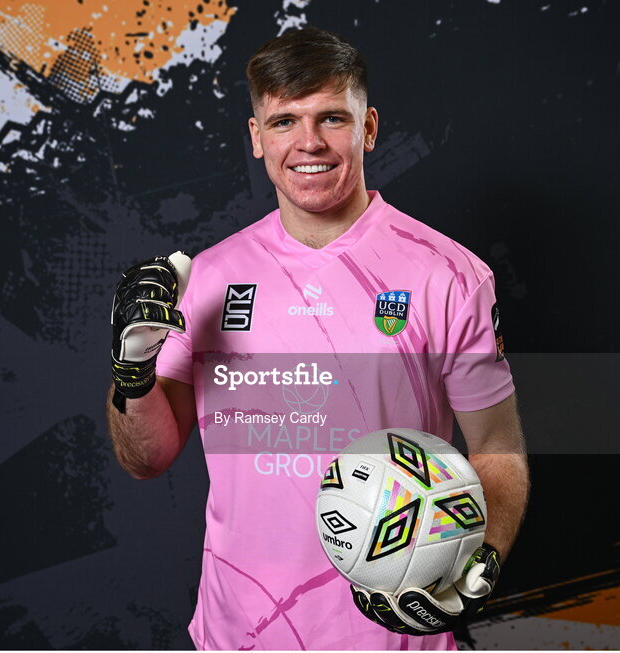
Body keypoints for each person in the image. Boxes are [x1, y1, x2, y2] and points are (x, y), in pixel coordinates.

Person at [107, 27, 529, 650]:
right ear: (257, 137)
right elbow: (146, 459)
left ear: (368, 128)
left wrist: (482, 558)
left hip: (392, 633)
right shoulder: (208, 278)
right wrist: (131, 372)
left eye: (332, 117)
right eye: (284, 122)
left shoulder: (448, 274)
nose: (309, 142)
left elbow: (497, 446)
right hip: (241, 633)